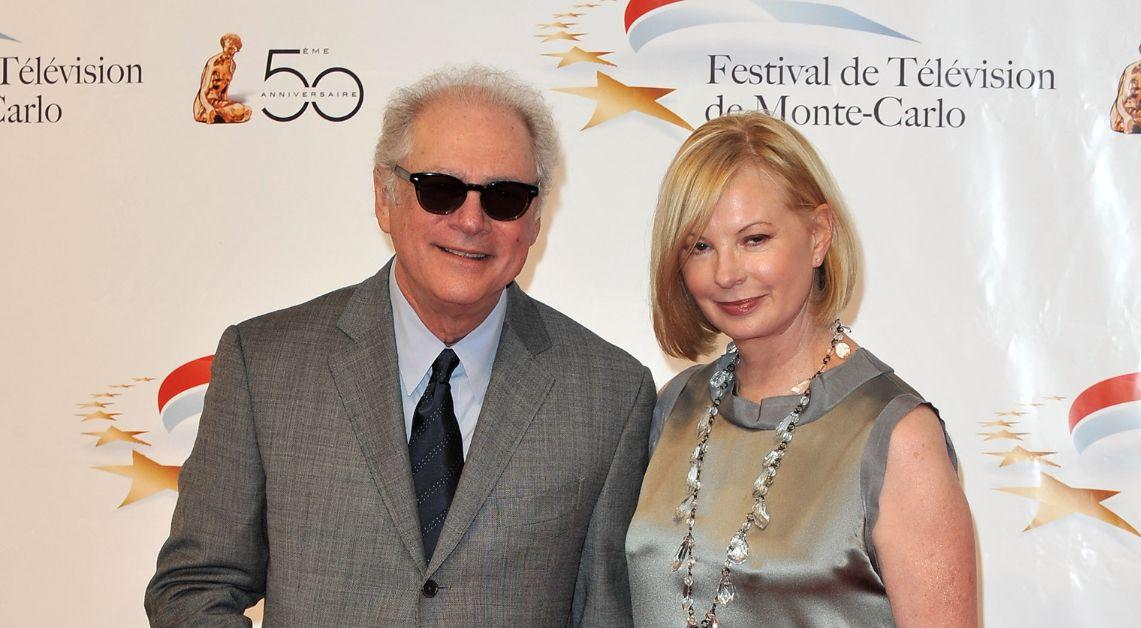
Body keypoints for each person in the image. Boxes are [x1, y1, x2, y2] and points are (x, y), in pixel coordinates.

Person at [148, 66, 656, 626]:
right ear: (384, 197)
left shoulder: (610, 393)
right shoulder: (265, 364)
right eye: (439, 189)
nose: (470, 220)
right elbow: (194, 588)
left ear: (534, 219)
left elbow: (606, 613)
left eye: (505, 197)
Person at [626, 112, 976, 627]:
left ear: (818, 235)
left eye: (755, 239)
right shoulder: (675, 406)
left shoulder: (899, 437)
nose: (726, 274)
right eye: (700, 246)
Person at [193, 33, 253, 124]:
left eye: (232, 49)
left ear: (237, 50)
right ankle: (210, 114)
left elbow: (224, 92)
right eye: (228, 48)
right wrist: (208, 107)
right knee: (239, 111)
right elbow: (203, 91)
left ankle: (218, 114)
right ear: (224, 46)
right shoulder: (213, 63)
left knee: (247, 110)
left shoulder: (232, 66)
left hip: (218, 103)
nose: (229, 51)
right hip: (204, 104)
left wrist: (228, 106)